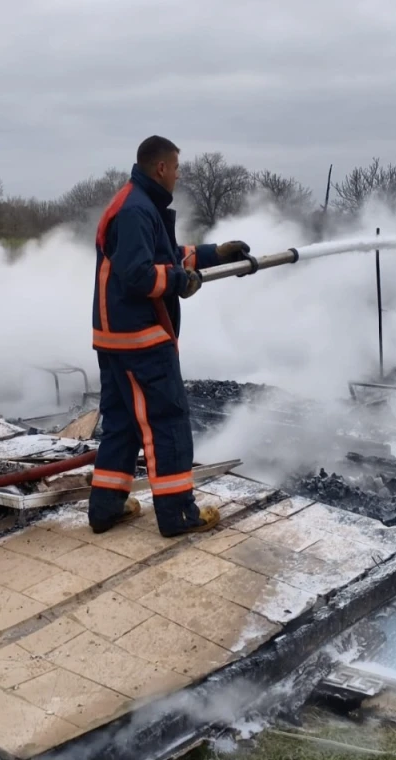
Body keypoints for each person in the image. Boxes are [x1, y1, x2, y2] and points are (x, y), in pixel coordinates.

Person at [88, 135, 253, 538]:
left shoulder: (140, 204)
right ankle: (179, 513)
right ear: (161, 167)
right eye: (177, 167)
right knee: (168, 421)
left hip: (120, 339)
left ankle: (106, 508)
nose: (179, 175)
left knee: (124, 423)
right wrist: (182, 281)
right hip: (140, 340)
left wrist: (216, 254)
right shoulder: (134, 210)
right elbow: (140, 275)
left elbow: (165, 255)